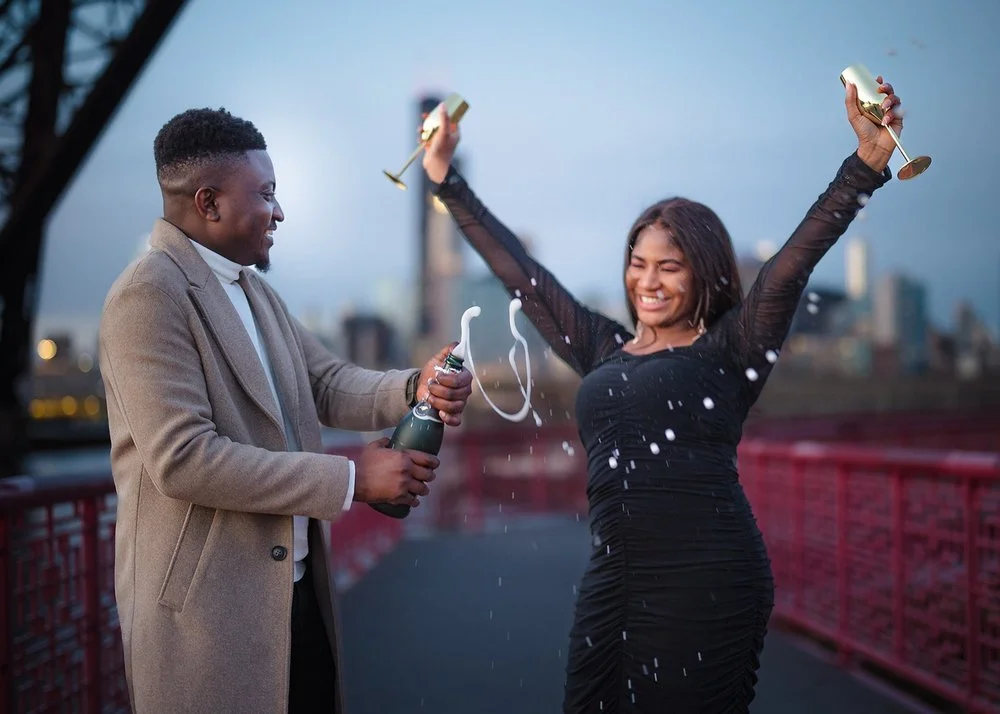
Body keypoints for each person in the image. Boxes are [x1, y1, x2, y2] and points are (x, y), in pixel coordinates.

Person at [419, 75, 905, 711]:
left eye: (668, 267)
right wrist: (444, 178)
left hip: (706, 579)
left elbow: (792, 265)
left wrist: (866, 163)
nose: (646, 281)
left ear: (704, 272)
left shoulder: (733, 348)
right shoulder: (602, 347)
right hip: (612, 579)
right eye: (637, 262)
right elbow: (523, 276)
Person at [98, 107, 473, 714]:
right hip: (209, 617)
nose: (279, 212)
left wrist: (415, 385)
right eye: (266, 195)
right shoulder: (148, 294)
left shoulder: (253, 289)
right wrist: (352, 479)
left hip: (295, 597)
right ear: (209, 202)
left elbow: (325, 382)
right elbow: (184, 460)